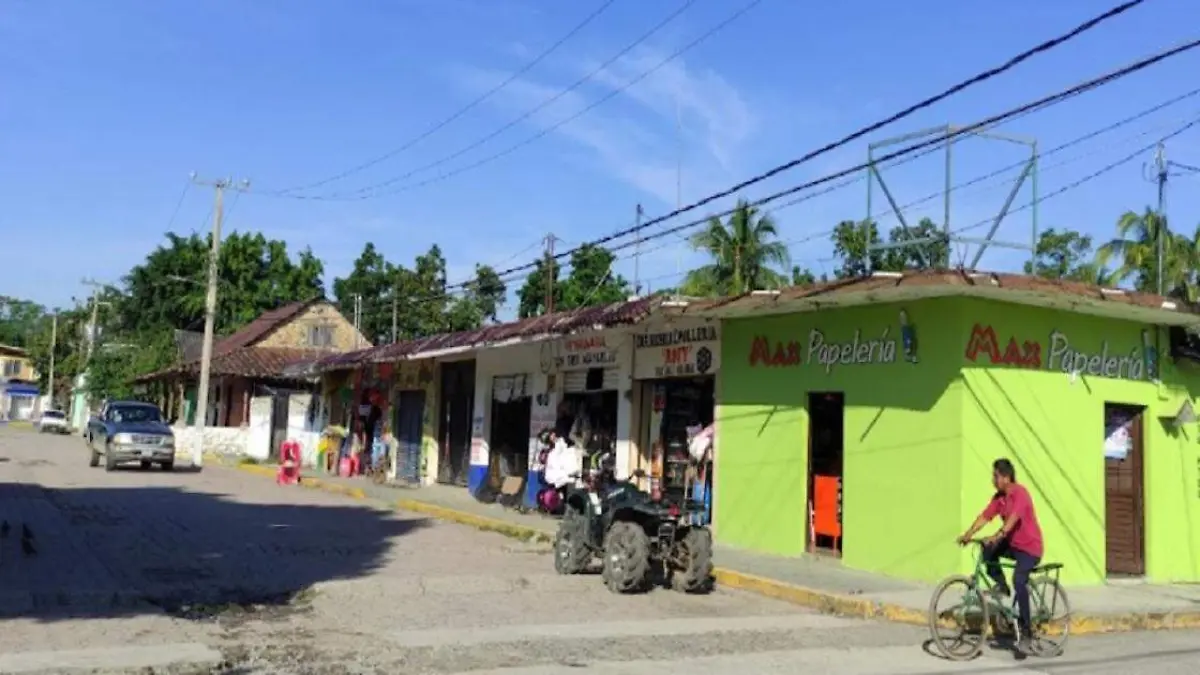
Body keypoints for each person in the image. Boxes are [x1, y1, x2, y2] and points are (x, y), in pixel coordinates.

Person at [956, 458, 1043, 651]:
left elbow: (1012, 520)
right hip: (1013, 545)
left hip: (1030, 548)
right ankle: (1002, 586)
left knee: (1019, 580)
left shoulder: (1020, 494)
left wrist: (996, 536)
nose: (993, 480)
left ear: (1006, 476)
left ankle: (1027, 630)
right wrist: (969, 535)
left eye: (995, 476)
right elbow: (985, 516)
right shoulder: (999, 498)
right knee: (987, 550)